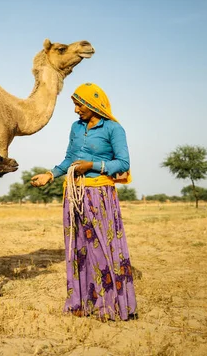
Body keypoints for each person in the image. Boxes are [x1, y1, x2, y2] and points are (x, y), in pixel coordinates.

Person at [30, 82, 137, 321]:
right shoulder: (75, 128)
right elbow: (70, 158)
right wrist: (50, 175)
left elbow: (123, 163)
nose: (76, 109)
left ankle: (109, 305)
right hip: (74, 195)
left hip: (99, 195)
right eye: (75, 104)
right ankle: (82, 304)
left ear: (92, 104)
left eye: (79, 104)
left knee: (100, 247)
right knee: (78, 248)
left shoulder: (113, 129)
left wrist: (94, 166)